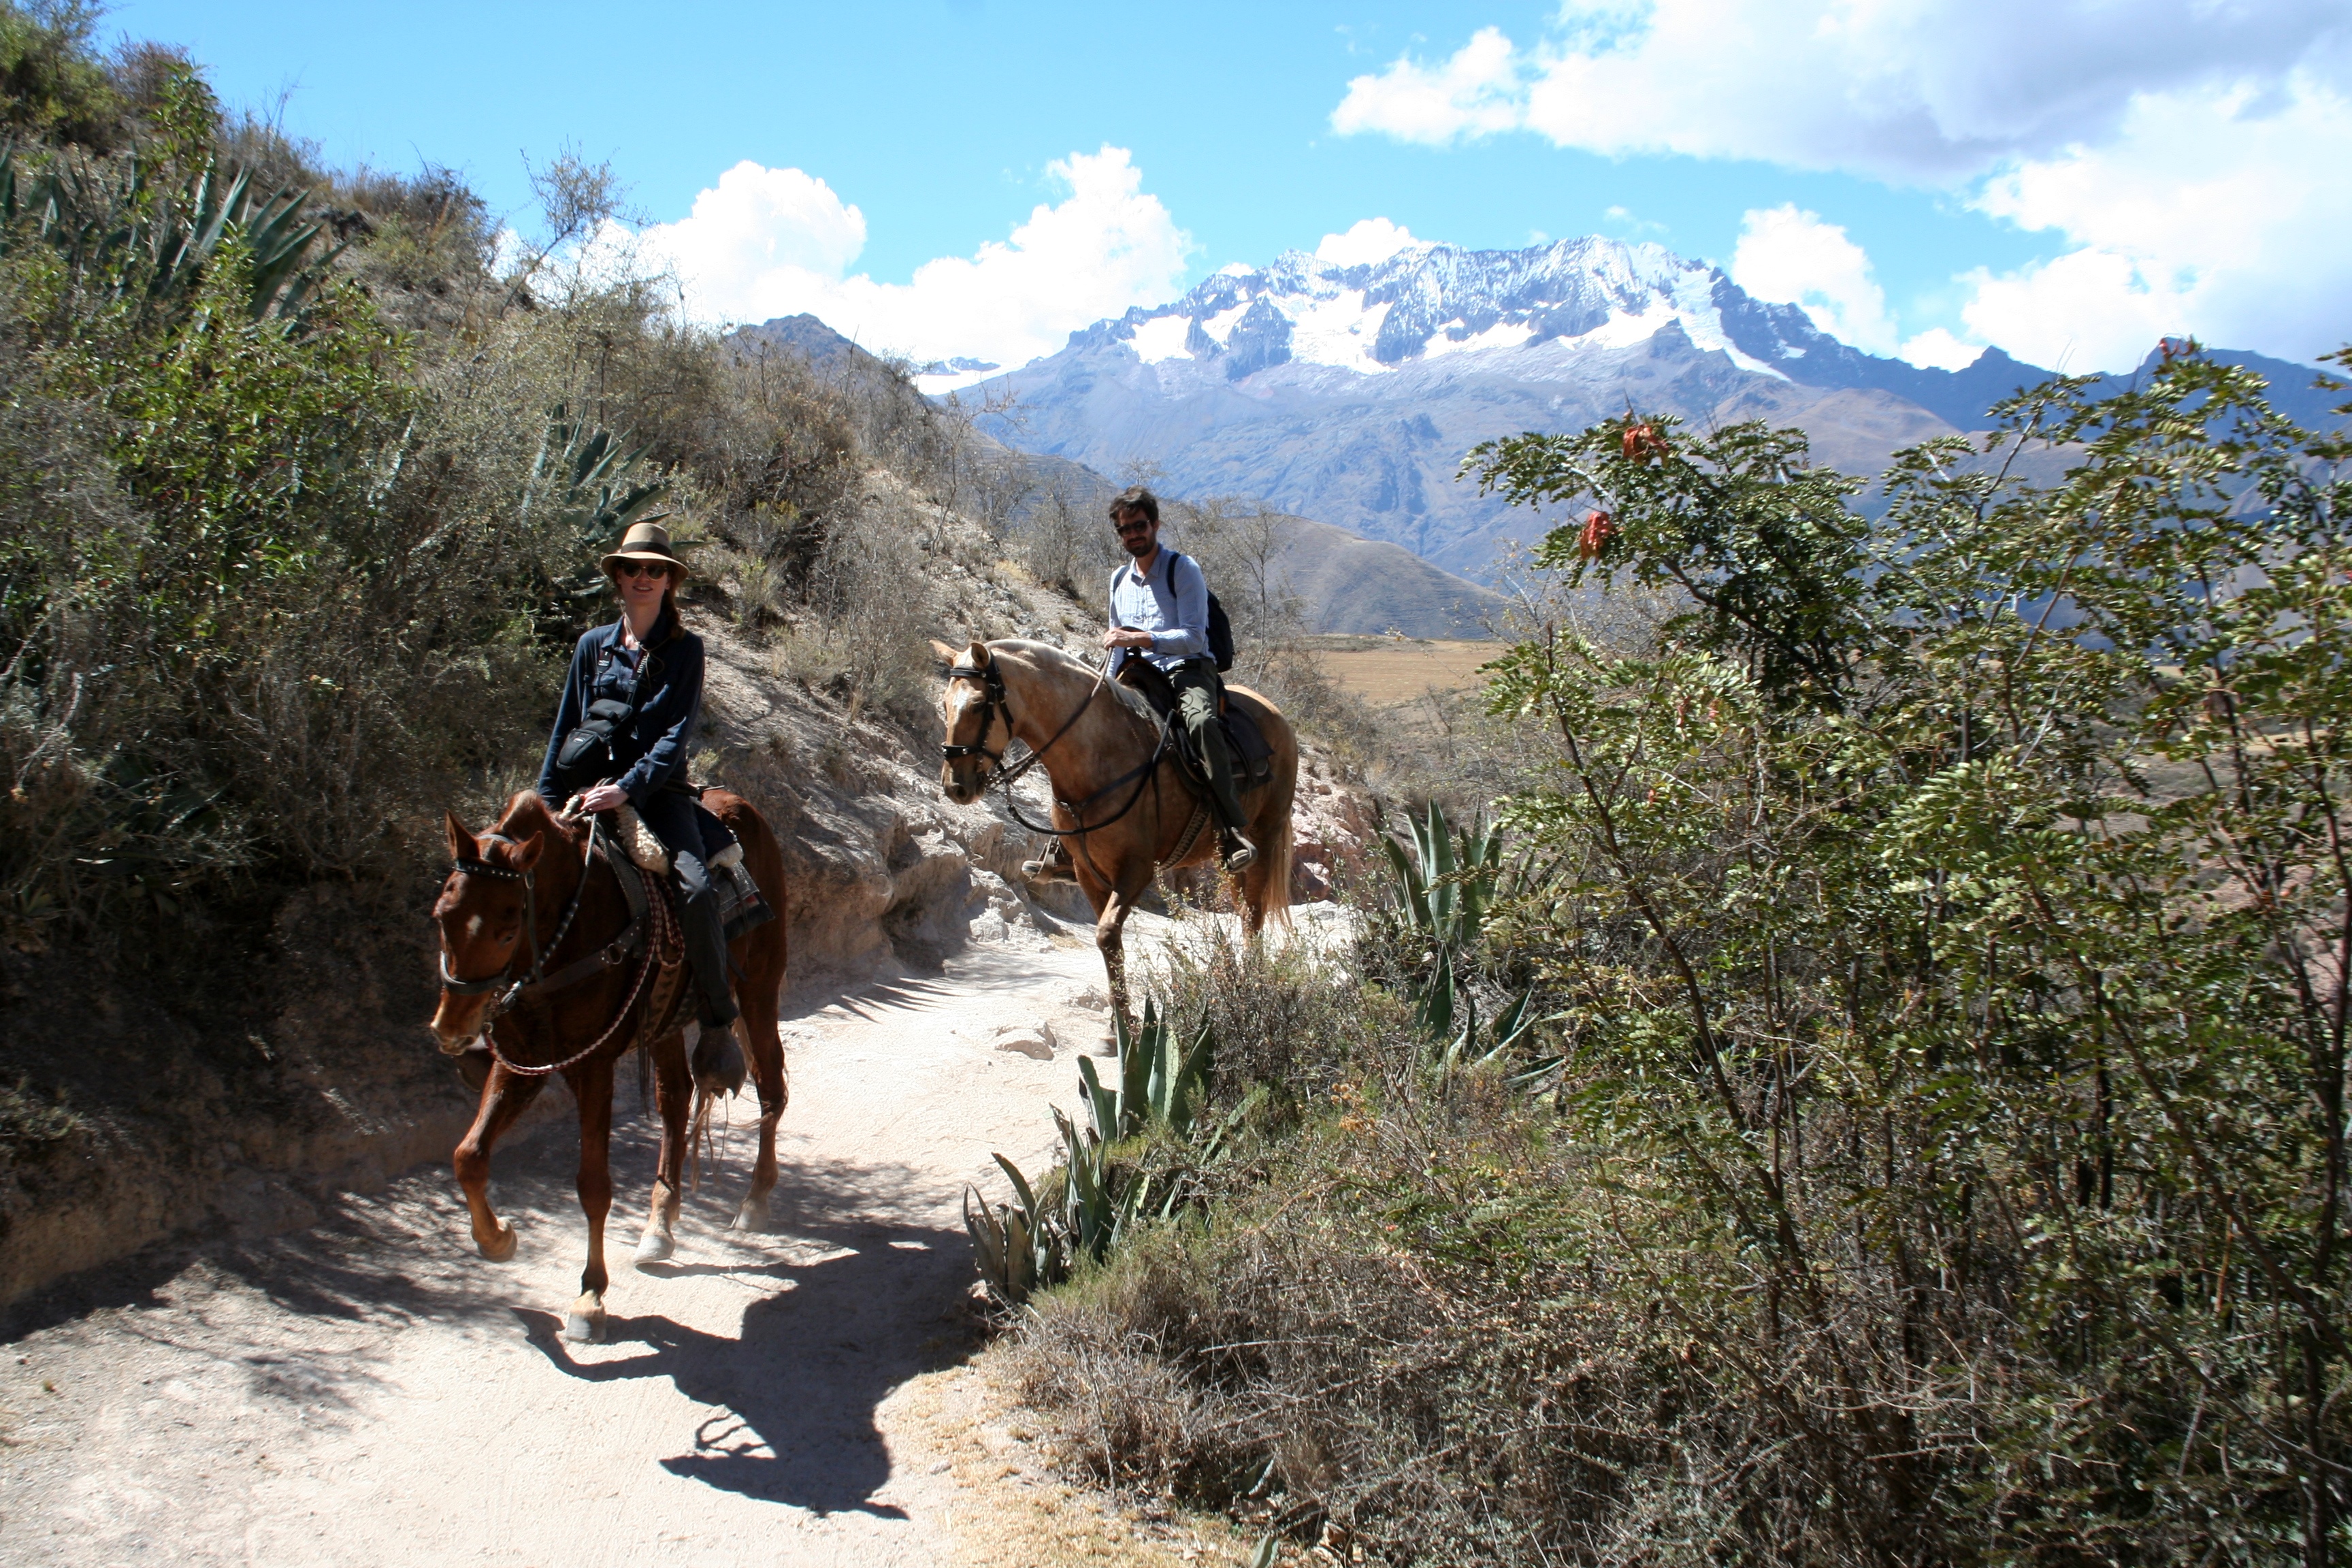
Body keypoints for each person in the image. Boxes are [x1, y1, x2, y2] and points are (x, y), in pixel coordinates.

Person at [537, 516, 738, 1029]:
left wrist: (626, 789)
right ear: (619, 578)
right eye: (632, 569)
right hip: (586, 790)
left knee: (696, 890)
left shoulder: (686, 650)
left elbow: (675, 736)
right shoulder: (592, 645)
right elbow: (565, 727)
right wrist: (547, 804)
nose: (642, 578)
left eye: (654, 569)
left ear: (669, 580)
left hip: (658, 792)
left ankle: (717, 1019)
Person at [1030, 487, 1256, 882]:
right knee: (1082, 730)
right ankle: (1066, 847)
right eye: (1124, 530)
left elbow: (1194, 637)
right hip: (1136, 674)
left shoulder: (1182, 569)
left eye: (1139, 526)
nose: (1132, 535)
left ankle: (1231, 830)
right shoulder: (1119, 578)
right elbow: (1116, 641)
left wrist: (1140, 638)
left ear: (1155, 525)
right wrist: (1106, 685)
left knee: (1201, 723)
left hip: (1186, 669)